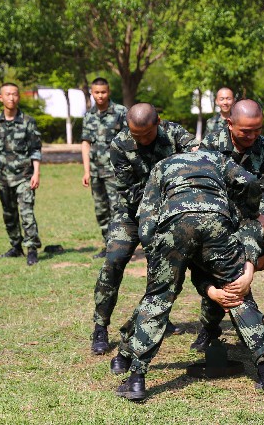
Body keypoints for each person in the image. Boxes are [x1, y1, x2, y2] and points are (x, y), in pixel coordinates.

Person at [114, 150, 264, 403]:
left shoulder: (161, 165)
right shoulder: (217, 159)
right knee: (237, 291)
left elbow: (146, 217)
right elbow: (249, 182)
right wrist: (252, 211)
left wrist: (156, 251)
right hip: (217, 221)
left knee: (158, 299)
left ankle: (136, 379)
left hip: (174, 223)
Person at [91, 103, 196, 356]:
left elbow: (197, 160)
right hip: (131, 213)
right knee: (112, 262)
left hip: (168, 213)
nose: (139, 140)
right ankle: (100, 326)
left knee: (161, 267)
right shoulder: (120, 144)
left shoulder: (175, 135)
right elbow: (129, 190)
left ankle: (157, 316)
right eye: (134, 134)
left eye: (145, 135)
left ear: (158, 122)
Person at [190, 99, 264, 352]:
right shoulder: (211, 146)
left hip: (254, 221)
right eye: (246, 131)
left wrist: (263, 214)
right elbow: (203, 189)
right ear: (230, 124)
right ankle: (209, 328)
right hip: (220, 221)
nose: (253, 136)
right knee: (220, 272)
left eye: (258, 129)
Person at [0, 82, 42, 266]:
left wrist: (36, 173)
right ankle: (15, 247)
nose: (12, 97)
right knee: (9, 214)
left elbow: (35, 149)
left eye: (15, 94)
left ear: (19, 97)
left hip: (25, 176)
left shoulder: (28, 122)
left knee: (26, 213)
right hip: (4, 177)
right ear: (0, 98)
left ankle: (31, 249)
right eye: (8, 94)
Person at [80, 77, 127, 258]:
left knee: (117, 209)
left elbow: (130, 140)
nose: (100, 96)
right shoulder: (89, 115)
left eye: (103, 92)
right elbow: (85, 143)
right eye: (97, 92)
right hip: (95, 171)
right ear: (92, 93)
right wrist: (86, 170)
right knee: (101, 210)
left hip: (115, 171)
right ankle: (107, 245)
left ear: (109, 92)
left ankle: (119, 247)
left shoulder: (121, 112)